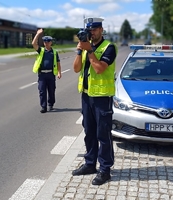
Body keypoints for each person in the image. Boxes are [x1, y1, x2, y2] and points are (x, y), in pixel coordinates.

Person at [72, 17, 117, 185]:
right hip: (86, 96)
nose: (92, 32)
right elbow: (76, 68)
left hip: (102, 97)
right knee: (89, 132)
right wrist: (79, 50)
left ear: (101, 30)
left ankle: (105, 170)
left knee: (103, 135)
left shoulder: (109, 47)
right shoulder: (84, 47)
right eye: (89, 30)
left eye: (95, 29)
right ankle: (90, 164)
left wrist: (89, 50)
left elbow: (99, 69)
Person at [32, 28, 62, 113]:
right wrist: (38, 34)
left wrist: (59, 72)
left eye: (48, 41)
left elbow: (58, 62)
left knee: (51, 90)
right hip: (42, 75)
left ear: (51, 42)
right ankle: (43, 107)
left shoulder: (54, 52)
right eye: (45, 42)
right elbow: (33, 44)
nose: (46, 43)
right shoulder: (41, 50)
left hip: (51, 74)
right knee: (42, 91)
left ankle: (51, 104)